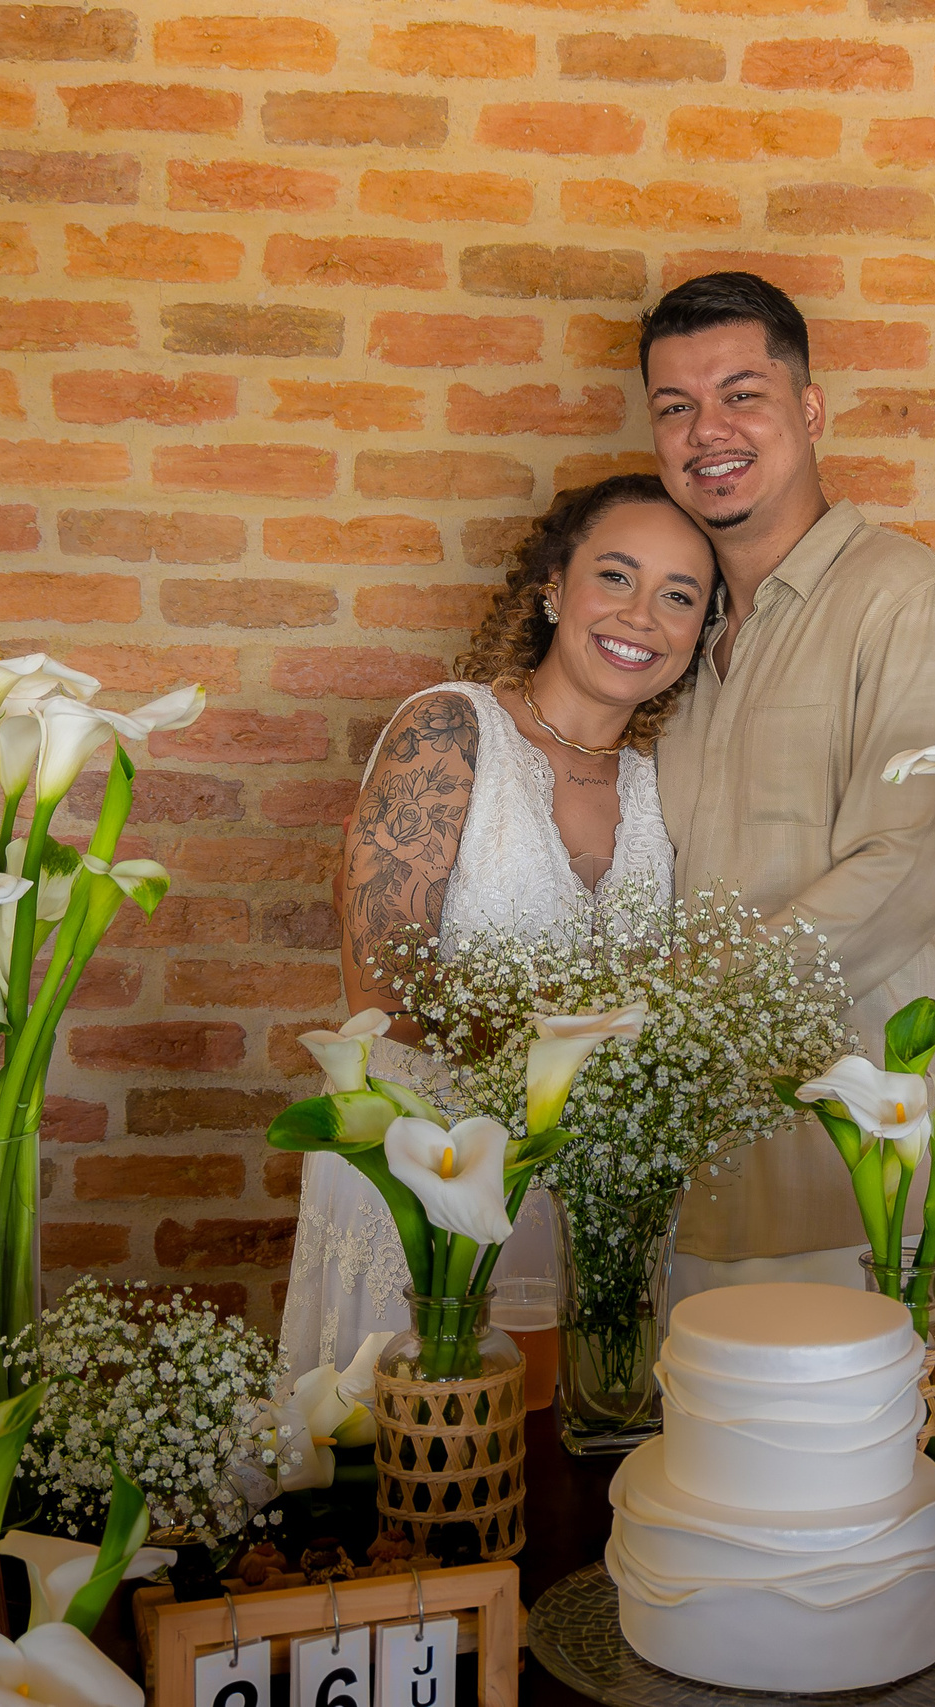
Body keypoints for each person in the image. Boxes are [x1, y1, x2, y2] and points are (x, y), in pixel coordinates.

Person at [278, 474, 718, 1380]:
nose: (641, 616)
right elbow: (380, 997)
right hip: (424, 1177)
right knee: (412, 1436)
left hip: (593, 1204)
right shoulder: (448, 729)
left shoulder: (665, 782)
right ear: (554, 584)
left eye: (679, 596)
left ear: (699, 631)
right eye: (616, 576)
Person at [639, 272, 935, 1294]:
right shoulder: (675, 632)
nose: (707, 431)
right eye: (675, 406)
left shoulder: (907, 598)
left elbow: (904, 869)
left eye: (741, 394)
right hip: (678, 1171)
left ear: (810, 407)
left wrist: (664, 1019)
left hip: (845, 1181)